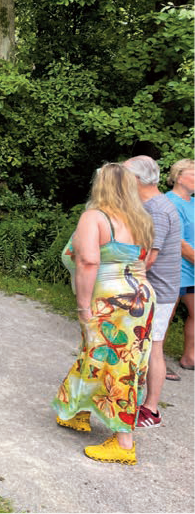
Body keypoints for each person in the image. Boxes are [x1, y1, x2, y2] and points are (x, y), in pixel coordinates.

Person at [52, 163, 155, 465]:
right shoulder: (141, 218)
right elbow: (144, 262)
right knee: (107, 358)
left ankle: (124, 444)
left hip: (111, 300)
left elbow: (87, 262)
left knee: (113, 363)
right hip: (141, 297)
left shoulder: (94, 217)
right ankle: (77, 411)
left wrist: (84, 306)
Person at [124, 156, 181, 429]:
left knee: (154, 347)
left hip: (157, 291)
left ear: (137, 179)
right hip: (154, 289)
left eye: (124, 174)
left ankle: (151, 409)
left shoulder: (156, 210)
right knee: (147, 347)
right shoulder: (151, 205)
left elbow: (148, 258)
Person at [165, 158, 195, 371]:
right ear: (177, 176)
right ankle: (155, 361)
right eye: (193, 174)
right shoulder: (169, 202)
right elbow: (179, 242)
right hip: (174, 268)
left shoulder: (194, 203)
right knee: (166, 316)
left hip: (193, 269)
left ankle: (189, 357)